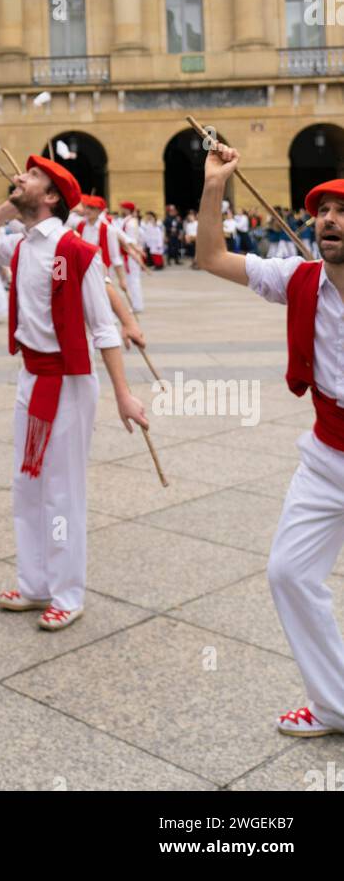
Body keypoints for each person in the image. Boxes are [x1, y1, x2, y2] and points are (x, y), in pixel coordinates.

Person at [197, 148, 344, 738]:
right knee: (288, 572)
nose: (329, 219)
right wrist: (214, 187)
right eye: (324, 211)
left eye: (342, 210)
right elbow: (210, 256)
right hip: (327, 453)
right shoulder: (298, 279)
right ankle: (335, 703)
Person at [0, 158, 147, 632]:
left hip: (69, 382)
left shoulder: (77, 253)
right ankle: (34, 585)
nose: (20, 179)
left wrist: (124, 396)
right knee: (27, 486)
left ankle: (68, 593)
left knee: (62, 492)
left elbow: (103, 331)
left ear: (51, 197)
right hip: (31, 377)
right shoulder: (21, 245)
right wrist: (9, 206)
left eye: (32, 178)